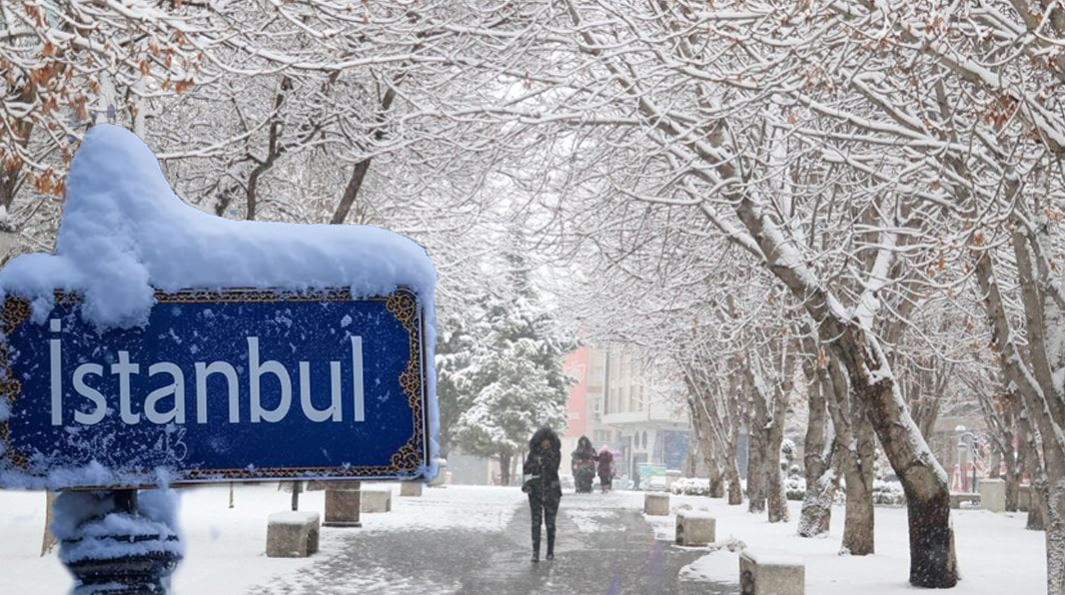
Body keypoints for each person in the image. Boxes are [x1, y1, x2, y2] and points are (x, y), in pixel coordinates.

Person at [522, 427, 562, 563]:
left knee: (550, 523)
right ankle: (535, 552)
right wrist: (527, 483)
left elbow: (553, 468)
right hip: (535, 491)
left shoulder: (555, 454)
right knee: (536, 522)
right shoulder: (532, 455)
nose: (546, 443)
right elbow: (527, 470)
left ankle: (550, 551)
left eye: (548, 441)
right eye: (543, 441)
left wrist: (543, 459)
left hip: (552, 491)